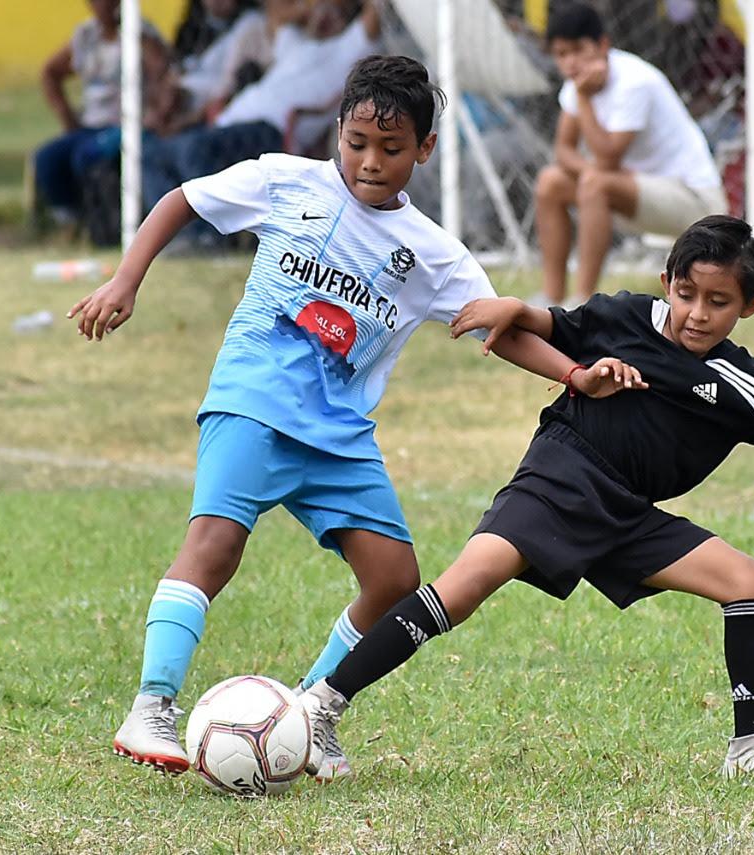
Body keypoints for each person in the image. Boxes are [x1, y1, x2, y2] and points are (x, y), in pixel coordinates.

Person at [69, 54, 627, 782]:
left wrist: (574, 373)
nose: (369, 162)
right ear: (338, 130)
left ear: (425, 149)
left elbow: (501, 328)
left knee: (396, 579)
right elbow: (183, 199)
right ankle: (151, 705)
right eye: (357, 142)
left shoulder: (434, 255)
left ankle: (311, 712)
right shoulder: (285, 180)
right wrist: (125, 278)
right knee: (214, 546)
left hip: (338, 435)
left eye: (391, 149)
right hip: (254, 400)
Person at [297, 215, 754, 784]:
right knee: (466, 585)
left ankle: (750, 748)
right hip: (561, 476)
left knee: (748, 580)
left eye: (719, 302)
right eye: (688, 294)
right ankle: (322, 705)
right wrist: (516, 309)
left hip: (627, 512)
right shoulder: (625, 316)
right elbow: (551, 323)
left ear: (751, 308)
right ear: (667, 285)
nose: (698, 313)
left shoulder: (747, 385)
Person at [534, 2, 726, 307]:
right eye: (561, 54)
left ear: (603, 45)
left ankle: (582, 303)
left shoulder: (634, 82)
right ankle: (552, 297)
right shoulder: (577, 86)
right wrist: (590, 172)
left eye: (577, 50)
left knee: (595, 183)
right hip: (634, 192)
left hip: (696, 204)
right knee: (550, 182)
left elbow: (609, 158)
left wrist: (583, 100)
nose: (570, 63)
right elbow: (563, 150)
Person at [142, 0, 382, 215]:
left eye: (334, 13)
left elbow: (374, 15)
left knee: (192, 150)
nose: (325, 16)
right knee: (151, 154)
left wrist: (335, 9)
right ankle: (184, 239)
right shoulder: (297, 45)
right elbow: (275, 13)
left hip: (271, 129)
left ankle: (205, 237)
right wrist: (310, 10)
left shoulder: (350, 48)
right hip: (227, 122)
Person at [35, 0, 169, 226]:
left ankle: (104, 222)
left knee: (86, 155)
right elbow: (50, 72)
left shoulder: (142, 35)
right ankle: (71, 220)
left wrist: (155, 114)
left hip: (125, 124)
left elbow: (163, 73)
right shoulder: (86, 35)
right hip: (91, 124)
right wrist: (66, 115)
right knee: (47, 158)